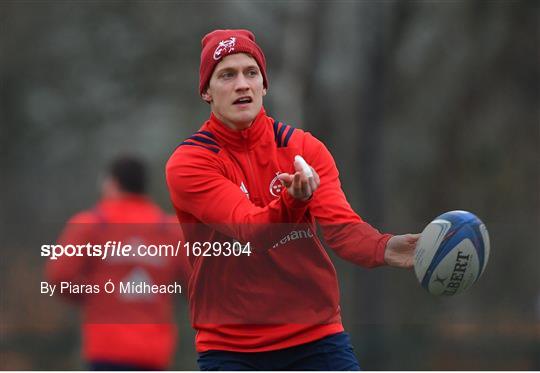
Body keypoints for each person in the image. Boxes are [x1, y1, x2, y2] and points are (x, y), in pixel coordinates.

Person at [166, 29, 419, 371]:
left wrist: (387, 247)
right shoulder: (190, 162)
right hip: (232, 348)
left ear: (264, 86)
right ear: (206, 92)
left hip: (316, 340)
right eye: (227, 75)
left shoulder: (303, 148)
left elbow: (342, 232)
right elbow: (251, 231)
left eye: (251, 73)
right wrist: (293, 201)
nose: (242, 84)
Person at [47, 156, 191, 370]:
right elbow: (199, 284)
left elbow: (59, 276)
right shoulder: (170, 229)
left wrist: (96, 297)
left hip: (106, 347)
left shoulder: (91, 224)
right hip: (154, 351)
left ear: (111, 183)